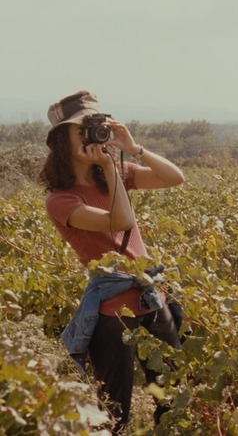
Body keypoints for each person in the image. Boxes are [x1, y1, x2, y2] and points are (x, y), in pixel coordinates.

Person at [39, 90, 186, 433]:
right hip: (112, 312)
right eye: (83, 128)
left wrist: (132, 148)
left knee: (172, 394)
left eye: (96, 124)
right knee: (114, 408)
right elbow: (118, 221)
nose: (93, 133)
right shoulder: (61, 200)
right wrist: (109, 164)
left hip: (151, 297)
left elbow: (175, 177)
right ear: (62, 139)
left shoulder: (115, 174)